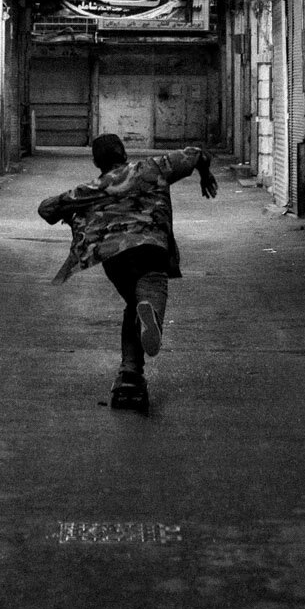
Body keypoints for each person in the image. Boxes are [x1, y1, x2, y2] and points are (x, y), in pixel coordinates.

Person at [37, 132, 218, 413]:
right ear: (124, 153)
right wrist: (205, 174)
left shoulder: (91, 189)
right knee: (148, 294)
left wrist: (71, 211)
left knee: (132, 303)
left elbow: (46, 208)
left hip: (115, 257)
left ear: (97, 161)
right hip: (151, 248)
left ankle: (131, 372)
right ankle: (149, 318)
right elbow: (197, 154)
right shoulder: (153, 167)